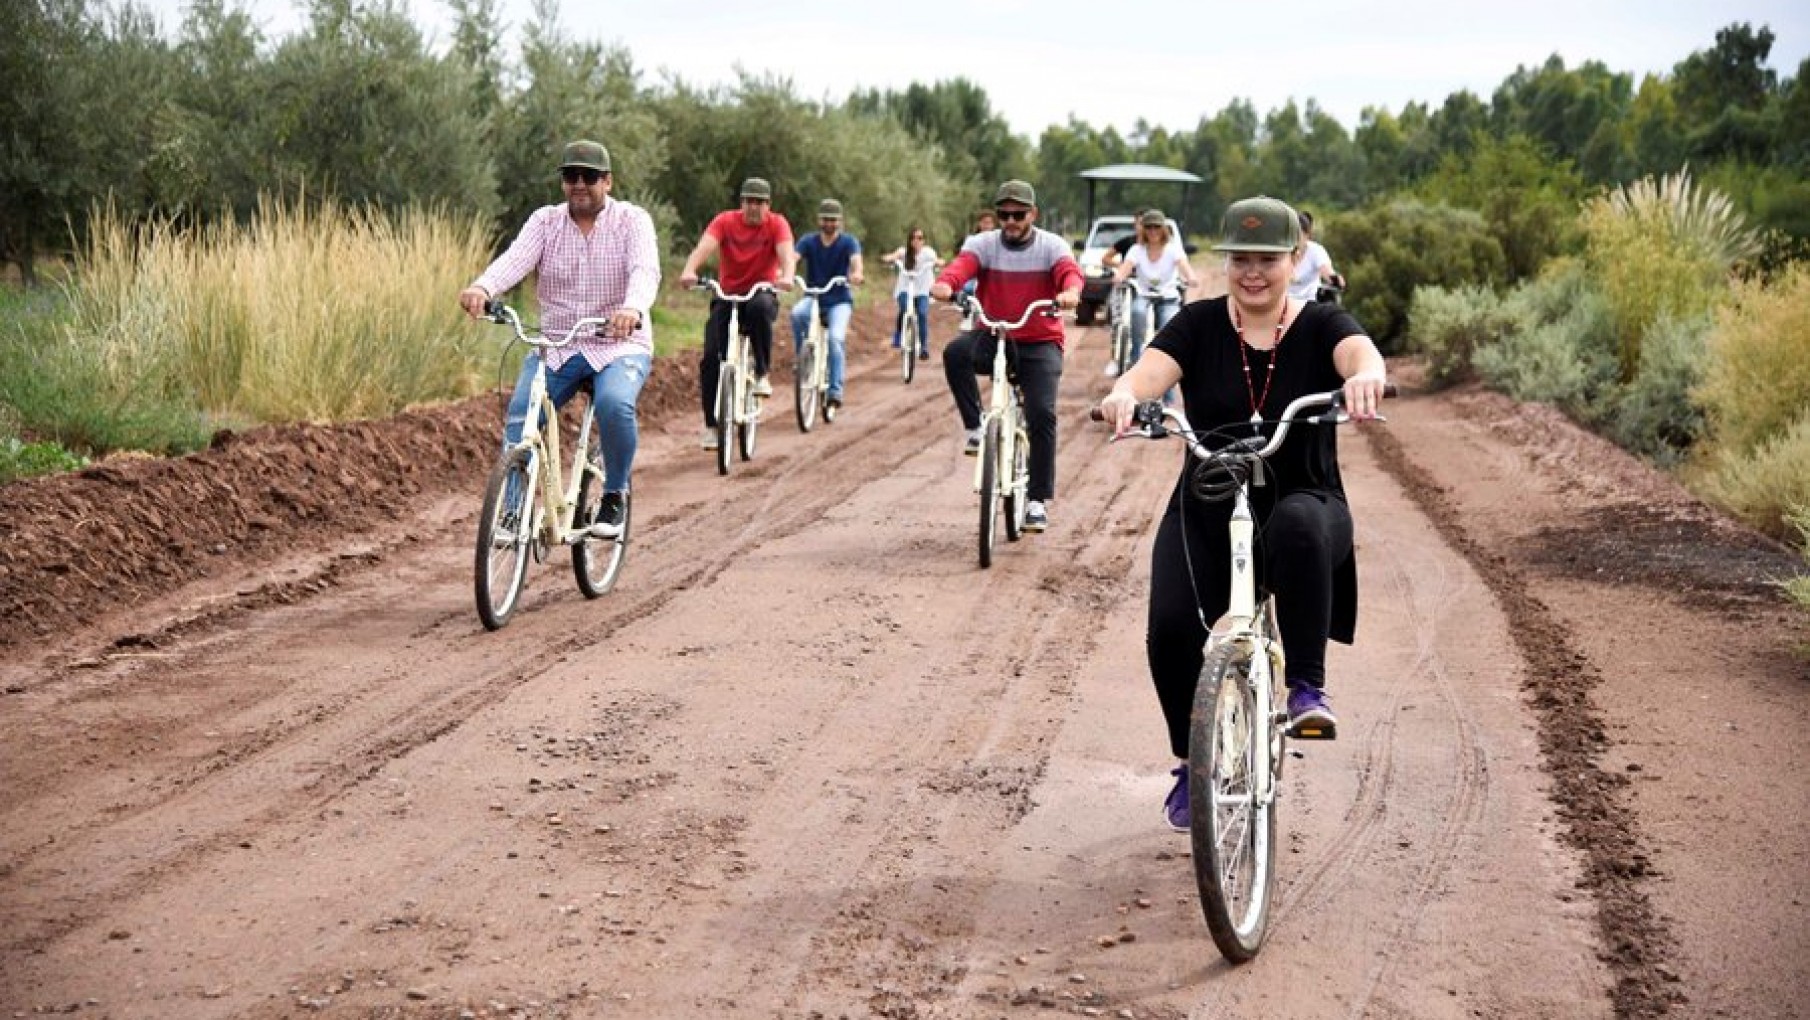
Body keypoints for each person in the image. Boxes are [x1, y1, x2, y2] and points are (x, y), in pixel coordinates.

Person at [1096, 195, 1387, 831]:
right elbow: (1149, 371)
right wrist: (1124, 395)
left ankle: (1306, 688)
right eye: (1240, 259)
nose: (1252, 272)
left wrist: (1366, 377)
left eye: (1267, 259)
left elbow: (1360, 353)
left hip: (1304, 489)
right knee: (1171, 629)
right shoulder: (1197, 324)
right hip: (1209, 497)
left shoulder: (1320, 324)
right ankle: (1190, 764)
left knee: (1299, 528)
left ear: (1294, 258)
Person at [458, 139, 659, 539]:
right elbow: (515, 259)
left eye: (588, 176)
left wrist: (632, 309)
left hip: (618, 343)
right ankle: (514, 512)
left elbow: (645, 270)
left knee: (614, 403)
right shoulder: (545, 222)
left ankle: (614, 495)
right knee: (520, 412)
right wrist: (483, 287)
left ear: (608, 181)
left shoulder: (632, 221)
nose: (579, 184)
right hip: (558, 344)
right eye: (571, 176)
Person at [930, 179, 1084, 534]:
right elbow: (960, 268)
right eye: (1004, 214)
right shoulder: (983, 244)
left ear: (1033, 214)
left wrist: (1071, 292)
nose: (1011, 221)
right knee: (955, 353)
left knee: (1041, 413)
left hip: (1039, 340)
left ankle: (1035, 501)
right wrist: (945, 285)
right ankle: (973, 428)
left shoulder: (1051, 246)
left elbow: (1069, 274)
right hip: (994, 333)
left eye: (1018, 214)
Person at [677, 177, 796, 449]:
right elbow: (704, 247)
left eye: (759, 202)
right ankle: (711, 425)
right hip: (727, 294)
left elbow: (787, 255)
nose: (754, 207)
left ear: (768, 205)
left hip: (760, 292)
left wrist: (787, 275)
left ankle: (762, 373)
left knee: (760, 308)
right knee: (710, 358)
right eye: (749, 201)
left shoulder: (777, 224)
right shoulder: (726, 221)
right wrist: (689, 269)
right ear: (741, 203)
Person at [788, 199, 864, 412]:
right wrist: (785, 271)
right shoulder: (808, 241)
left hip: (839, 300)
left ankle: (835, 390)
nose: (829, 223)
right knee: (797, 314)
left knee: (835, 338)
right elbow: (794, 257)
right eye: (825, 219)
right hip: (813, 297)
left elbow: (856, 261)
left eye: (833, 220)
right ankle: (803, 359)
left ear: (839, 222)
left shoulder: (848, 242)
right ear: (818, 220)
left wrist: (856, 273)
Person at [1107, 209, 1199, 377]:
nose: (1153, 231)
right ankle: (1135, 359)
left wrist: (1191, 278)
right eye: (1149, 227)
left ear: (1163, 229)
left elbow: (1185, 268)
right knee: (1137, 312)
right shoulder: (1136, 249)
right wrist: (1119, 276)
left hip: (1168, 297)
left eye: (1156, 227)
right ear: (1143, 230)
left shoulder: (1173, 249)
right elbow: (1125, 268)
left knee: (1170, 324)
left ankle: (1168, 369)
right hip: (1144, 294)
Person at [882, 226, 939, 358]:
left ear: (923, 241)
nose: (916, 241)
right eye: (913, 238)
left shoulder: (928, 253)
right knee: (903, 308)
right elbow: (893, 256)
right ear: (909, 240)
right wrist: (888, 259)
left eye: (920, 238)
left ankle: (924, 347)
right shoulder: (903, 252)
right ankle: (898, 334)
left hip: (923, 290)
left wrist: (938, 263)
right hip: (905, 288)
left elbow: (937, 261)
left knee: (922, 314)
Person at [1287, 209, 1343, 303]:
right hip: (1284, 305)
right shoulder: (1281, 252)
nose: (1294, 240)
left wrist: (1335, 279)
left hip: (1311, 303)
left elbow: (1327, 271)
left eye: (1298, 235)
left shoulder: (1316, 251)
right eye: (1291, 235)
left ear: (1307, 235)